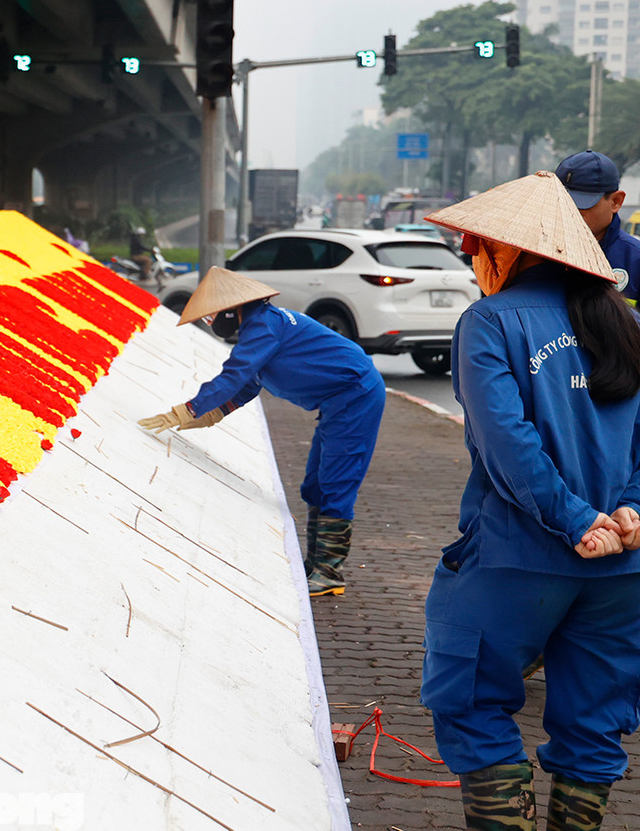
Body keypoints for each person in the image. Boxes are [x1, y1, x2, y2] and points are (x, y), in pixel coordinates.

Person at [418, 170, 640, 830]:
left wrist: (576, 521)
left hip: (520, 558)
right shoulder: (627, 323)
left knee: (469, 700)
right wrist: (629, 512)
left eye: (476, 246)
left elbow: (506, 443)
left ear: (508, 250)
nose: (473, 258)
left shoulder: (488, 322)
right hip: (622, 568)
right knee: (594, 725)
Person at [137, 267, 385, 596]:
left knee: (336, 481)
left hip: (356, 396)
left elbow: (234, 374)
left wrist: (189, 409)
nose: (210, 324)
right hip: (337, 402)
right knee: (314, 484)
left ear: (230, 309)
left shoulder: (263, 326)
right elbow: (249, 383)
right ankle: (315, 563)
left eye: (210, 317)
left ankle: (329, 573)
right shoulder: (262, 325)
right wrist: (215, 413)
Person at [557, 149, 640, 303]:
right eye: (563, 202)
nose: (571, 211)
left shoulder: (635, 260)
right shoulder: (535, 254)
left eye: (582, 204)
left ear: (616, 201)